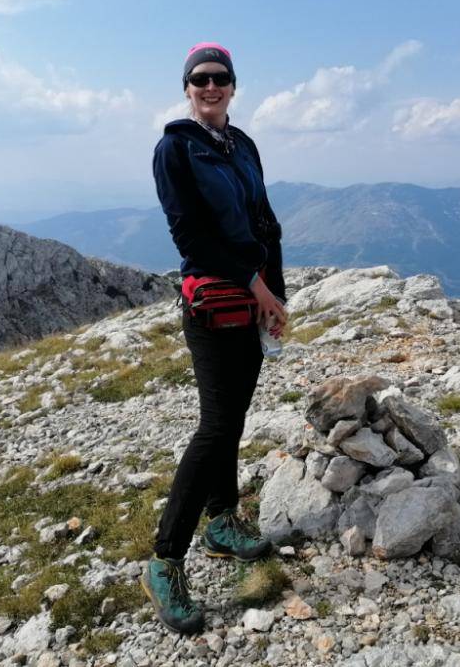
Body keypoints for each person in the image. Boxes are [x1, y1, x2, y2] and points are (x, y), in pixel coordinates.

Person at [142, 42, 288, 635]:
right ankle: (164, 561)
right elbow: (191, 238)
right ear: (186, 87)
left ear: (232, 85)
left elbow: (264, 222)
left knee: (233, 421)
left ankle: (223, 522)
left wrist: (276, 296)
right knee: (217, 427)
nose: (210, 86)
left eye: (220, 77)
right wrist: (255, 285)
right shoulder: (175, 148)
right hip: (214, 305)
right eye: (200, 78)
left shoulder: (242, 144)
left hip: (252, 300)